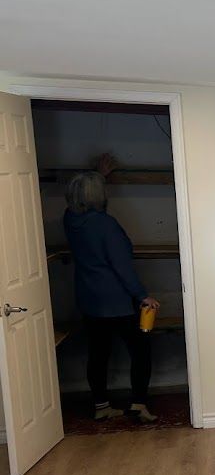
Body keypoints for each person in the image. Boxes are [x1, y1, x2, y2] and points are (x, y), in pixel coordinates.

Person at [63, 155, 160, 423]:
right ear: (99, 196)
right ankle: (139, 404)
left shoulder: (71, 220)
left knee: (98, 354)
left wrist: (98, 174)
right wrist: (143, 296)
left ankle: (101, 406)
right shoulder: (106, 225)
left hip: (89, 300)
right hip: (118, 301)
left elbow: (83, 195)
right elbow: (122, 266)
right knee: (141, 350)